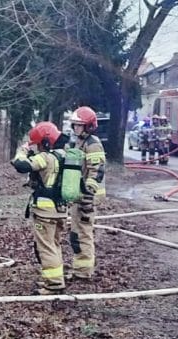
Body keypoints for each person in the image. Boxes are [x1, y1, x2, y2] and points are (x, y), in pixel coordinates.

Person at [11, 122, 68, 294]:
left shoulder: (46, 157)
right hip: (60, 209)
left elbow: (21, 165)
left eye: (39, 144)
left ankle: (54, 284)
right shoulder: (63, 155)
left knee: (46, 246)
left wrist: (22, 151)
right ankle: (56, 279)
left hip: (45, 211)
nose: (37, 148)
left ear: (45, 142)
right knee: (54, 244)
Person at [68, 106, 106, 280]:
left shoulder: (93, 144)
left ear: (88, 126)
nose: (76, 128)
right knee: (76, 233)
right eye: (74, 125)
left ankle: (84, 271)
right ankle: (79, 269)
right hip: (80, 195)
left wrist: (88, 195)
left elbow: (96, 171)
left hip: (87, 197)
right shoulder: (80, 142)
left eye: (79, 125)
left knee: (83, 233)